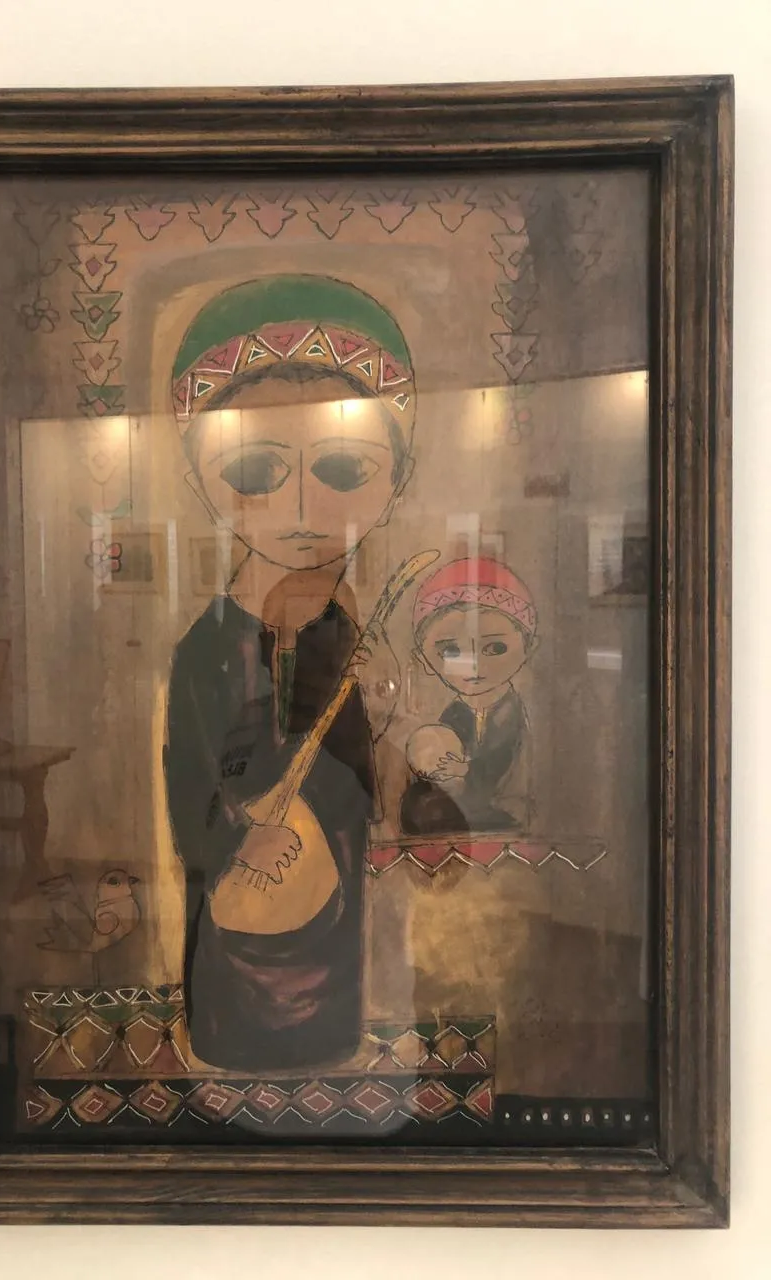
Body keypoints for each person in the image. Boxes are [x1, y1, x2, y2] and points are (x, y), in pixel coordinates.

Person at [164, 274, 415, 1071]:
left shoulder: (345, 633)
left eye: (341, 470)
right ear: (204, 486)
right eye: (253, 473)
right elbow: (189, 782)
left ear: (395, 480)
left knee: (330, 1021)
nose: (301, 507)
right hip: (238, 907)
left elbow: (359, 783)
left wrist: (379, 727)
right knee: (233, 995)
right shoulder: (206, 646)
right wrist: (241, 831)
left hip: (330, 907)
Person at [401, 556, 537, 836]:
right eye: (452, 651)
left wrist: (466, 771)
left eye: (495, 648)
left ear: (528, 648)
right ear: (423, 659)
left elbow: (503, 762)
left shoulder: (510, 712)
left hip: (503, 811)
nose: (474, 666)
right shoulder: (454, 713)